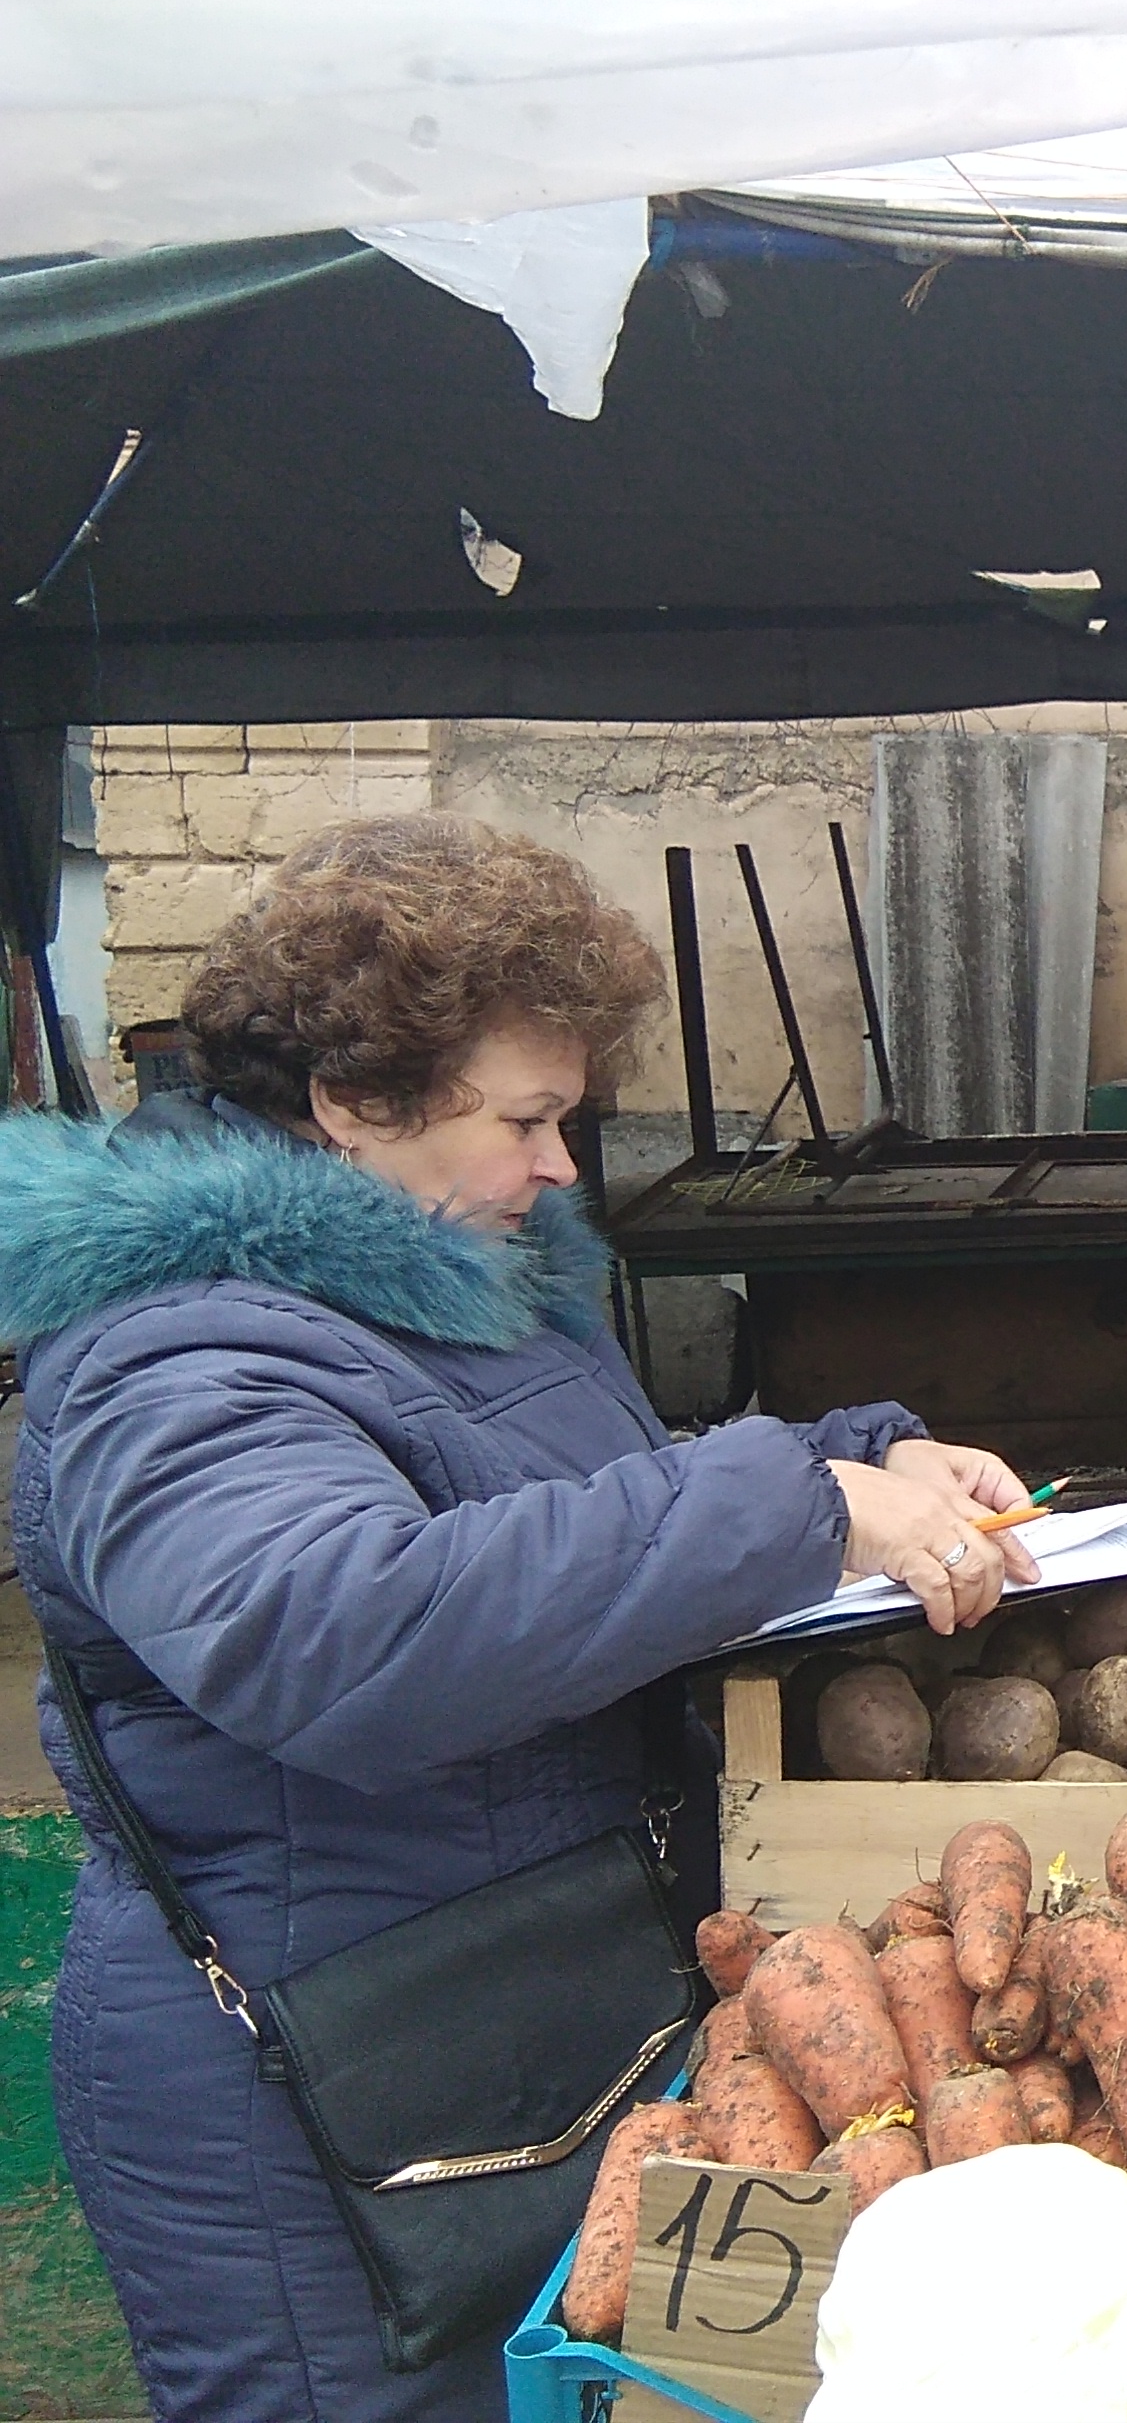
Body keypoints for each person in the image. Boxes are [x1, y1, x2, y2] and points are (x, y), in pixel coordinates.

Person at [0, 816, 1045, 2421]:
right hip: (337, 2100)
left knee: (683, 2392)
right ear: (354, 1100)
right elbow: (339, 1630)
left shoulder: (458, 1283)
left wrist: (861, 1461)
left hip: (591, 2022)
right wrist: (795, 1510)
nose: (561, 1167)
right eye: (528, 1118)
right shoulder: (181, 1353)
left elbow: (557, 1507)